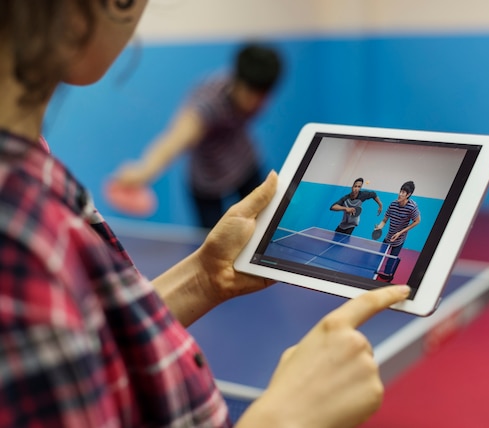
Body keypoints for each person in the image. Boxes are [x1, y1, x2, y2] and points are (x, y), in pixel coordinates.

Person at [0, 1, 411, 427]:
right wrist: (286, 417)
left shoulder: (38, 167)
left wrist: (203, 277)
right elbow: (177, 137)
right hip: (207, 179)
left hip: (239, 161)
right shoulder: (23, 228)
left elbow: (99, 342)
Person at [112, 41, 283, 229]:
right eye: (251, 93)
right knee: (214, 243)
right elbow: (175, 139)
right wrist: (143, 171)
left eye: (263, 96)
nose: (256, 103)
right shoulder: (209, 102)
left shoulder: (255, 94)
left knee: (265, 225)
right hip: (206, 179)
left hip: (243, 164)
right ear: (238, 80)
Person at [373, 181, 420, 282]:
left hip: (399, 239)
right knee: (379, 258)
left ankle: (384, 281)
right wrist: (379, 227)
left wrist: (401, 232)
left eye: (404, 192)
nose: (400, 194)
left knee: (390, 263)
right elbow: (385, 220)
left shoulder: (412, 207)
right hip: (388, 237)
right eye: (400, 191)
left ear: (409, 194)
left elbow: (417, 221)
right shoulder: (393, 204)